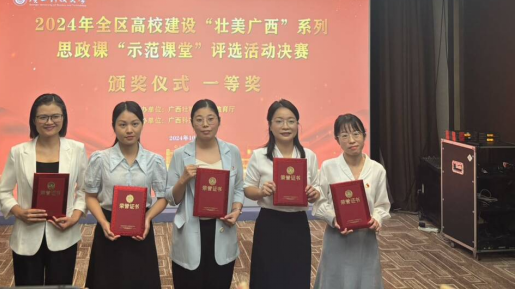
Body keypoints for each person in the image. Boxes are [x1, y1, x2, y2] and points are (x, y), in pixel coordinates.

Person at [0, 94, 88, 285]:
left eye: (55, 116)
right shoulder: (18, 152)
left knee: (61, 286)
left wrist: (75, 216)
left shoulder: (77, 149)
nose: (49, 122)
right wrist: (19, 212)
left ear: (63, 118)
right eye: (43, 117)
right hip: (27, 235)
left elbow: (84, 190)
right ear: (34, 120)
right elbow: (3, 191)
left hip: (64, 234)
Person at [84, 101, 168, 289]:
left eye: (135, 124)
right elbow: (90, 196)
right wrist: (103, 222)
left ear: (142, 124)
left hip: (141, 229)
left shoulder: (154, 161)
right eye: (122, 124)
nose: (129, 130)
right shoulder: (100, 159)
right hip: (109, 230)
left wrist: (147, 218)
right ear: (113, 126)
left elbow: (163, 197)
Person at [166, 99, 245, 289]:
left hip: (222, 226)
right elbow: (172, 198)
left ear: (219, 121)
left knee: (219, 281)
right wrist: (183, 180)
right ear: (192, 123)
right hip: (190, 230)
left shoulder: (232, 151)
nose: (205, 124)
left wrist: (236, 210)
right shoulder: (180, 154)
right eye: (199, 119)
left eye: (210, 119)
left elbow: (238, 187)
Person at [244, 100, 321, 289]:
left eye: (291, 121)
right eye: (279, 121)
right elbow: (248, 188)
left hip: (297, 224)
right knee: (267, 276)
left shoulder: (308, 155)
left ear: (297, 124)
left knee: (296, 276)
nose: (285, 126)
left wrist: (314, 193)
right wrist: (261, 191)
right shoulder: (260, 155)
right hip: (270, 223)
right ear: (270, 125)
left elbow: (318, 187)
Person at [312, 113, 391, 289]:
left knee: (365, 281)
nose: (351, 140)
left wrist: (377, 219)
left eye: (356, 134)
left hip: (365, 240)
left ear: (364, 136)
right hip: (337, 237)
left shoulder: (377, 170)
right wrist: (334, 219)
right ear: (337, 140)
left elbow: (382, 205)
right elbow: (319, 202)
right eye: (345, 135)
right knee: (334, 281)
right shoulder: (328, 167)